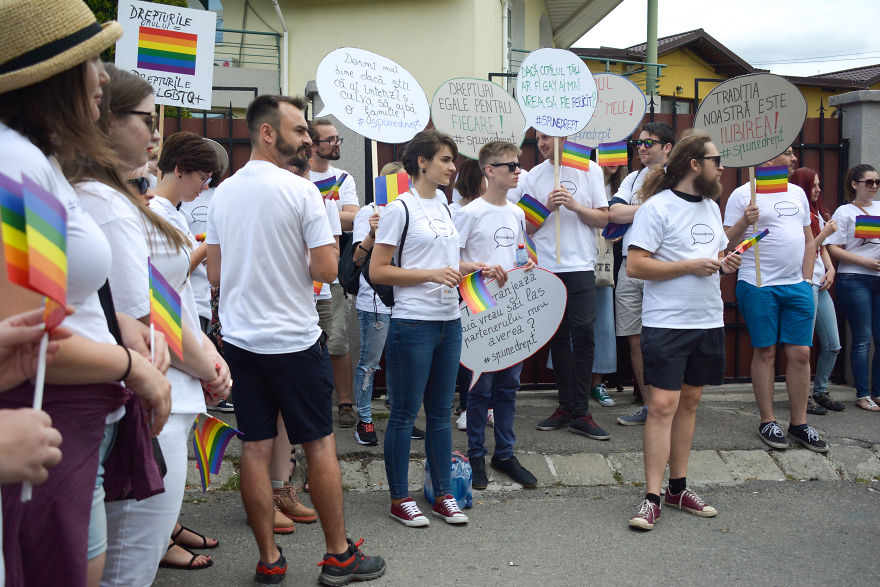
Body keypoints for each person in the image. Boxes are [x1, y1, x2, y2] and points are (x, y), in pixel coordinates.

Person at [0, 2, 171, 585]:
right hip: (44, 418)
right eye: (91, 61)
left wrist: (118, 328)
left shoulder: (35, 163)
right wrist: (134, 367)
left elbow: (50, 308)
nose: (102, 77)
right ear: (50, 79)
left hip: (65, 416)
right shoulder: (17, 165)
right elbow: (28, 340)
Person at [207, 95, 385, 585]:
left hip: (242, 341)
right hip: (292, 337)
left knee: (256, 449)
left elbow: (216, 272)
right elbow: (327, 270)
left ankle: (268, 560)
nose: (308, 139)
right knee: (321, 445)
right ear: (268, 133)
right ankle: (338, 556)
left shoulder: (222, 193)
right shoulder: (303, 191)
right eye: (300, 130)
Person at [68, 72, 230, 582]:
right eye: (146, 118)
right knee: (128, 564)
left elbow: (166, 295)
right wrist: (206, 364)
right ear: (104, 118)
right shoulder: (107, 205)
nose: (156, 132)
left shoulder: (126, 203)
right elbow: (144, 320)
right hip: (150, 395)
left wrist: (204, 351)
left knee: (131, 554)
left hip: (168, 387)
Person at [370, 129, 489, 526]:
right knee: (404, 414)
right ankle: (399, 498)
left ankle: (442, 495)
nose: (453, 167)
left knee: (440, 415)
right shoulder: (398, 209)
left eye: (453, 160)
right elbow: (378, 270)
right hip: (412, 323)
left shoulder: (445, 204)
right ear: (421, 162)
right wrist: (429, 276)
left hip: (449, 322)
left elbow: (447, 265)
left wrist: (473, 268)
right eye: (445, 160)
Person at [626, 130, 740, 531]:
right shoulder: (656, 209)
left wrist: (725, 262)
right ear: (695, 165)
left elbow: (713, 254)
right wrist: (689, 266)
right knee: (661, 407)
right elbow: (636, 266)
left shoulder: (711, 206)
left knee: (690, 405)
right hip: (667, 324)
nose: (721, 166)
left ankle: (678, 488)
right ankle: (651, 497)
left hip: (707, 320)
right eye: (715, 159)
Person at [723, 146, 827, 452]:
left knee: (801, 354)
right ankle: (768, 420)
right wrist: (745, 221)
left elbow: (809, 240)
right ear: (769, 158)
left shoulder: (796, 192)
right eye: (788, 153)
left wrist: (807, 281)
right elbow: (727, 240)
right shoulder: (744, 194)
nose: (794, 159)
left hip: (797, 285)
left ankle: (799, 423)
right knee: (765, 351)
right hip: (758, 284)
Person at [455, 140, 537, 490]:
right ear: (490, 171)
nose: (519, 171)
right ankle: (476, 454)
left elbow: (518, 254)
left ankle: (504, 452)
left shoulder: (517, 213)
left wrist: (528, 264)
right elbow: (449, 263)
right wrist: (479, 269)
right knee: (480, 388)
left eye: (518, 165)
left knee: (508, 386)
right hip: (479, 308)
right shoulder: (468, 212)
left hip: (512, 309)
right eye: (512, 166)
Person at [522, 132, 610, 440]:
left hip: (581, 265)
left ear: (564, 136)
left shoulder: (590, 169)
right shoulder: (533, 176)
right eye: (538, 138)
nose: (541, 143)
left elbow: (603, 219)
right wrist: (546, 207)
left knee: (584, 335)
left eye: (546, 138)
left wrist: (573, 205)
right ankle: (564, 407)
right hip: (548, 266)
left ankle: (581, 411)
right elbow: (527, 228)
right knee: (558, 339)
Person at [609, 122, 675, 425]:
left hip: (660, 266)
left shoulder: (676, 178)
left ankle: (666, 404)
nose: (642, 148)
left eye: (649, 143)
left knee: (660, 337)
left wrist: (638, 208)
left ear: (667, 148)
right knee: (634, 338)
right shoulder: (633, 177)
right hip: (628, 264)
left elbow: (674, 215)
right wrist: (650, 208)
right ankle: (649, 406)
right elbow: (614, 213)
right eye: (639, 143)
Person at [308, 119, 360, 428]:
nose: (337, 143)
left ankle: (345, 403)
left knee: (337, 342)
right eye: (330, 139)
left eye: (338, 137)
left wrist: (319, 211)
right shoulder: (295, 175)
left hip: (333, 273)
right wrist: (326, 210)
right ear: (312, 145)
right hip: (301, 275)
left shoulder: (342, 178)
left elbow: (353, 219)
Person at [178, 139, 235, 413]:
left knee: (215, 346)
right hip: (190, 290)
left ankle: (214, 394)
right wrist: (209, 244)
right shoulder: (177, 204)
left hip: (214, 289)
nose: (205, 181)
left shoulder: (223, 195)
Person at [825, 164, 880, 411]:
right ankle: (863, 394)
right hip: (854, 278)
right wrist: (865, 261)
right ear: (855, 184)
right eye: (869, 182)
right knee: (862, 338)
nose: (874, 186)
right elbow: (832, 248)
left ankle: (877, 392)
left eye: (878, 182)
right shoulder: (844, 211)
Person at [790, 167, 844, 414]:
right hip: (807, 281)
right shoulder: (797, 213)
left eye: (819, 185)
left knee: (833, 344)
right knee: (803, 346)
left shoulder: (818, 212)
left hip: (821, 283)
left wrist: (831, 269)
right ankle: (803, 398)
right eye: (813, 185)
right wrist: (825, 233)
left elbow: (821, 250)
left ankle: (820, 390)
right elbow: (808, 245)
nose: (818, 190)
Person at [450, 158, 488, 431]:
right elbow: (453, 254)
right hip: (469, 287)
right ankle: (466, 405)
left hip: (495, 285)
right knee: (471, 349)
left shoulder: (494, 209)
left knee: (492, 347)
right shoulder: (456, 212)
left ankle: (488, 406)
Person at [589, 163, 627, 408]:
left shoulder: (623, 187)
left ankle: (597, 382)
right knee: (573, 321)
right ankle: (573, 381)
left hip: (607, 261)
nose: (612, 161)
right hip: (580, 255)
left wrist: (621, 231)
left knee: (603, 322)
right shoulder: (586, 177)